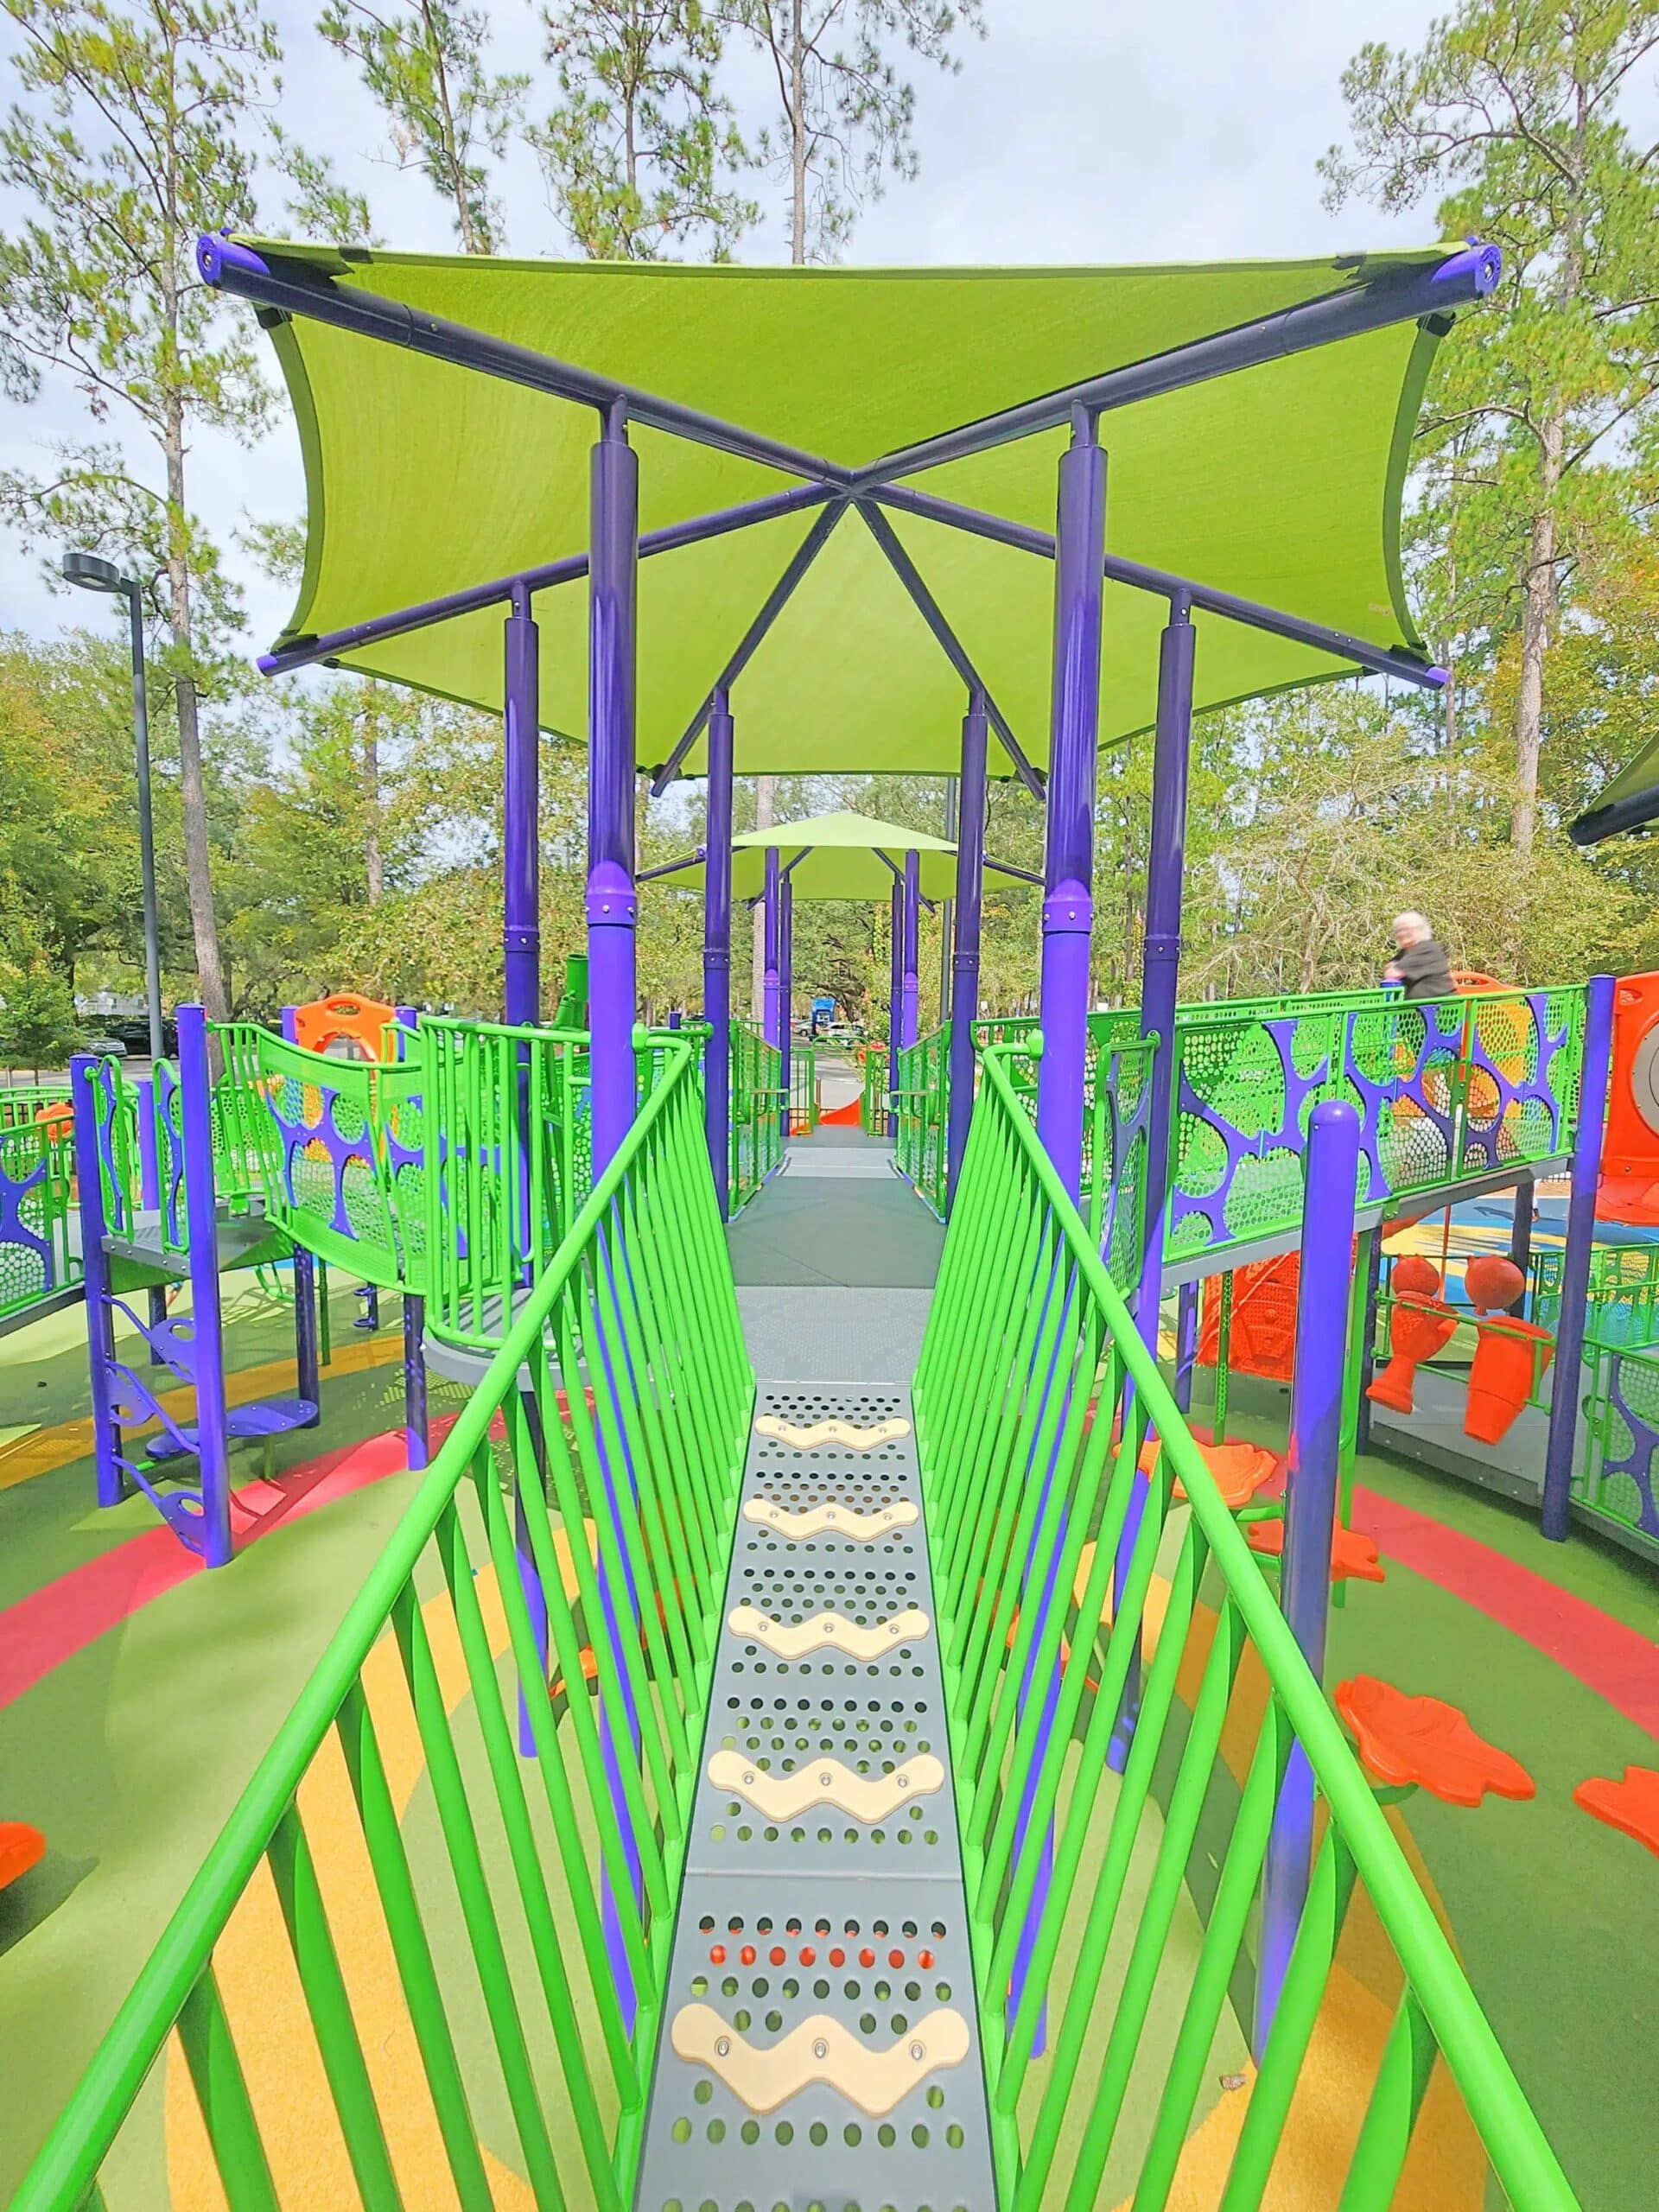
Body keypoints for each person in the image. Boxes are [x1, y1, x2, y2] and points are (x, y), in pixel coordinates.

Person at [1382, 911, 1453, 1001]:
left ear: (1420, 930)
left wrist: (1394, 968)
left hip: (1440, 1006)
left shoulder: (1426, 949)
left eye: (1405, 929)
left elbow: (1392, 974)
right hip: (1416, 1006)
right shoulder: (1406, 951)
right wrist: (1393, 968)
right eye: (1398, 930)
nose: (1401, 934)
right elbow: (1387, 969)